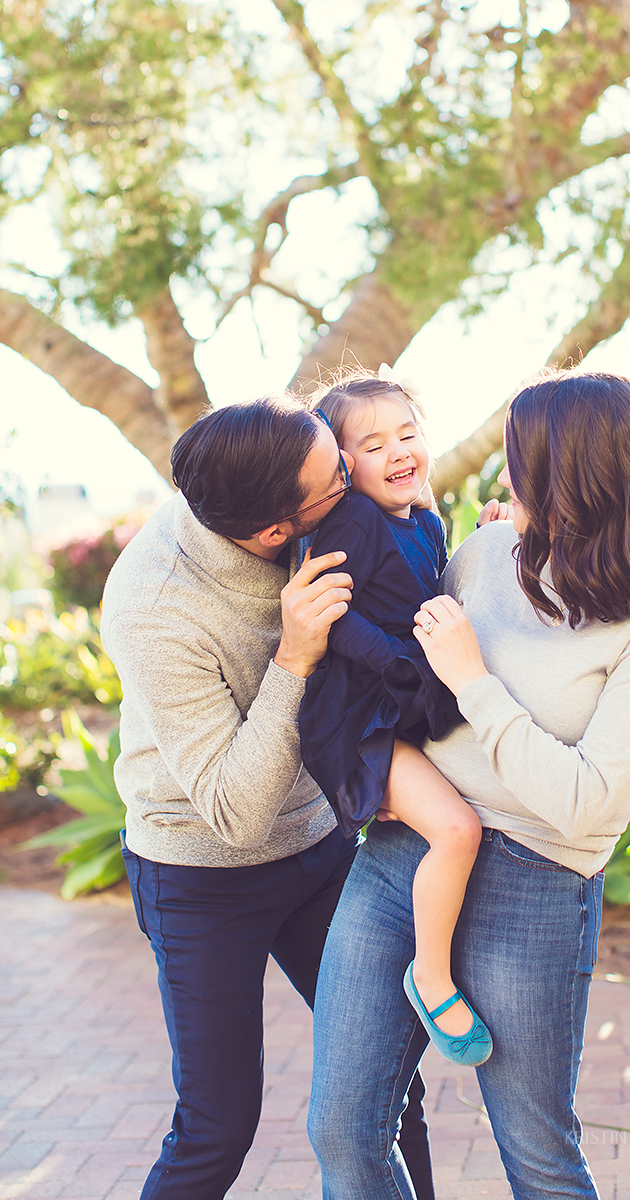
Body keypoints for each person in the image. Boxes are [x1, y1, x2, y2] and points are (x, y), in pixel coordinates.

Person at [307, 370, 630, 1200]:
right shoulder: (489, 550)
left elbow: (589, 798)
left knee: (535, 1152)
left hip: (536, 878)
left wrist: (475, 684)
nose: (505, 482)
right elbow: (401, 671)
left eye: (520, 466)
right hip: (405, 853)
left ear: (578, 479)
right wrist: (374, 771)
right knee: (341, 1131)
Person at [100, 395, 434, 1200]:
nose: (354, 474)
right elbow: (235, 811)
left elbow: (402, 536)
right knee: (220, 1124)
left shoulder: (293, 478)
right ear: (276, 532)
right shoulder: (154, 605)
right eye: (336, 476)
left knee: (391, 1083)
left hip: (317, 850)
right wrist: (294, 655)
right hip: (202, 873)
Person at [299, 372, 491, 1065]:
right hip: (362, 717)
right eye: (375, 444)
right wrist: (394, 662)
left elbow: (433, 593)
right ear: (342, 465)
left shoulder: (428, 519)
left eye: (408, 434)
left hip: (405, 700)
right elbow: (335, 611)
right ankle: (430, 975)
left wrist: (483, 542)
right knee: (457, 828)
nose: (400, 451)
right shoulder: (351, 520)